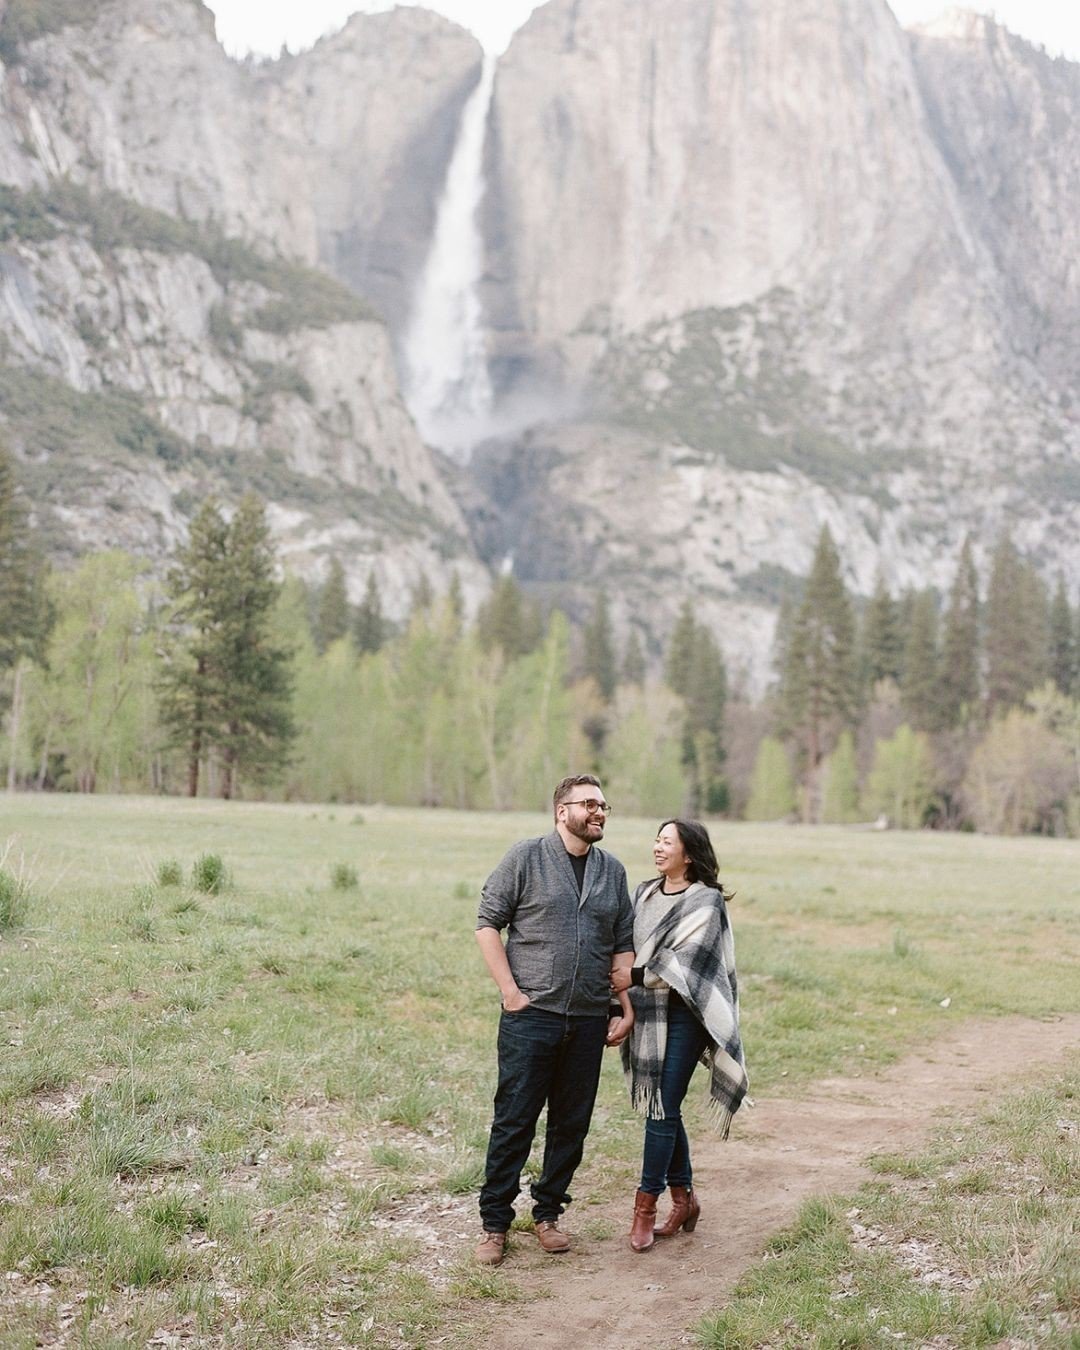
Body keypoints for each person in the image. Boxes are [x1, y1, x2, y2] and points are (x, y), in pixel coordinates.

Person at [473, 774, 635, 1267]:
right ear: (560, 811)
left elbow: (622, 944)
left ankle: (548, 1214)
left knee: (571, 1124)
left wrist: (624, 1008)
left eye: (604, 804)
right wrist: (510, 993)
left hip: (588, 1020)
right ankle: (495, 1224)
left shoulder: (613, 872)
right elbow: (487, 924)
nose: (599, 812)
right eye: (589, 804)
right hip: (532, 1016)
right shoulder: (525, 858)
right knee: (515, 1120)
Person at [610, 818, 748, 1253]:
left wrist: (631, 975)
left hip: (688, 1015)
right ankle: (684, 1199)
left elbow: (687, 965)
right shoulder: (645, 893)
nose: (657, 847)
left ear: (688, 853)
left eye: (667, 841)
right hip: (649, 1016)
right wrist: (622, 1001)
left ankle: (644, 1208)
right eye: (656, 839)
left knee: (662, 1108)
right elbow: (628, 944)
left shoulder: (706, 900)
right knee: (664, 1109)